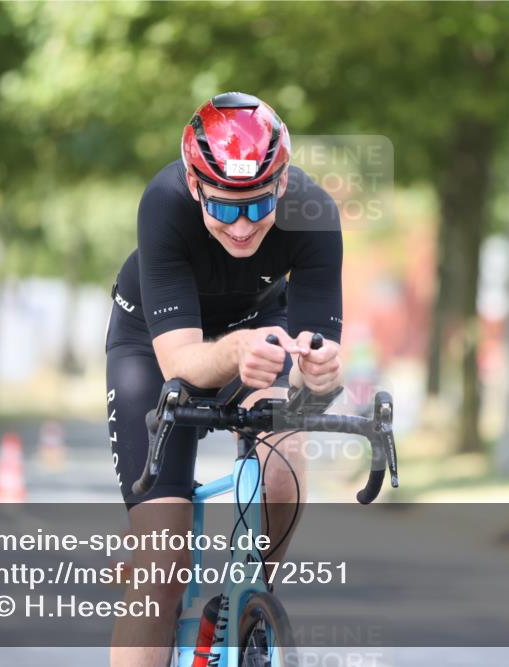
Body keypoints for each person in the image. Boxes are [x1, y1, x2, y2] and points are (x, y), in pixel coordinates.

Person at [104, 92, 343, 666]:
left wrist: (320, 374)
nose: (242, 227)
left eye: (257, 207)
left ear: (282, 187)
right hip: (154, 343)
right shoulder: (163, 201)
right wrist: (236, 350)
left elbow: (320, 364)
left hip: (259, 326)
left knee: (285, 461)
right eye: (225, 208)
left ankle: (247, 606)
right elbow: (180, 364)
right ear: (194, 186)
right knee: (162, 567)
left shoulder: (315, 212)